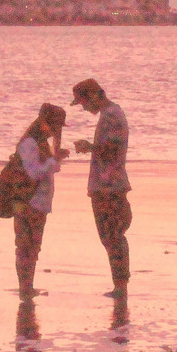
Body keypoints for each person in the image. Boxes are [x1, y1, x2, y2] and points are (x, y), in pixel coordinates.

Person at [70, 78, 132, 298]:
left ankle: (120, 285)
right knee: (111, 236)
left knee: (112, 236)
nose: (84, 108)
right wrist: (92, 148)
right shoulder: (111, 114)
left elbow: (112, 150)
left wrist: (90, 147)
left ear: (94, 96)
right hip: (109, 185)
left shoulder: (111, 115)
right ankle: (120, 284)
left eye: (83, 102)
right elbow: (110, 149)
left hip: (109, 186)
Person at [12, 102, 69, 298]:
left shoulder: (40, 142)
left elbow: (45, 170)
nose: (56, 131)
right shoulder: (30, 143)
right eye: (55, 126)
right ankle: (25, 287)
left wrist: (56, 159)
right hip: (28, 201)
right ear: (45, 123)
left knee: (32, 246)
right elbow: (34, 173)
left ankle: (27, 286)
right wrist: (54, 160)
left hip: (37, 203)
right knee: (26, 246)